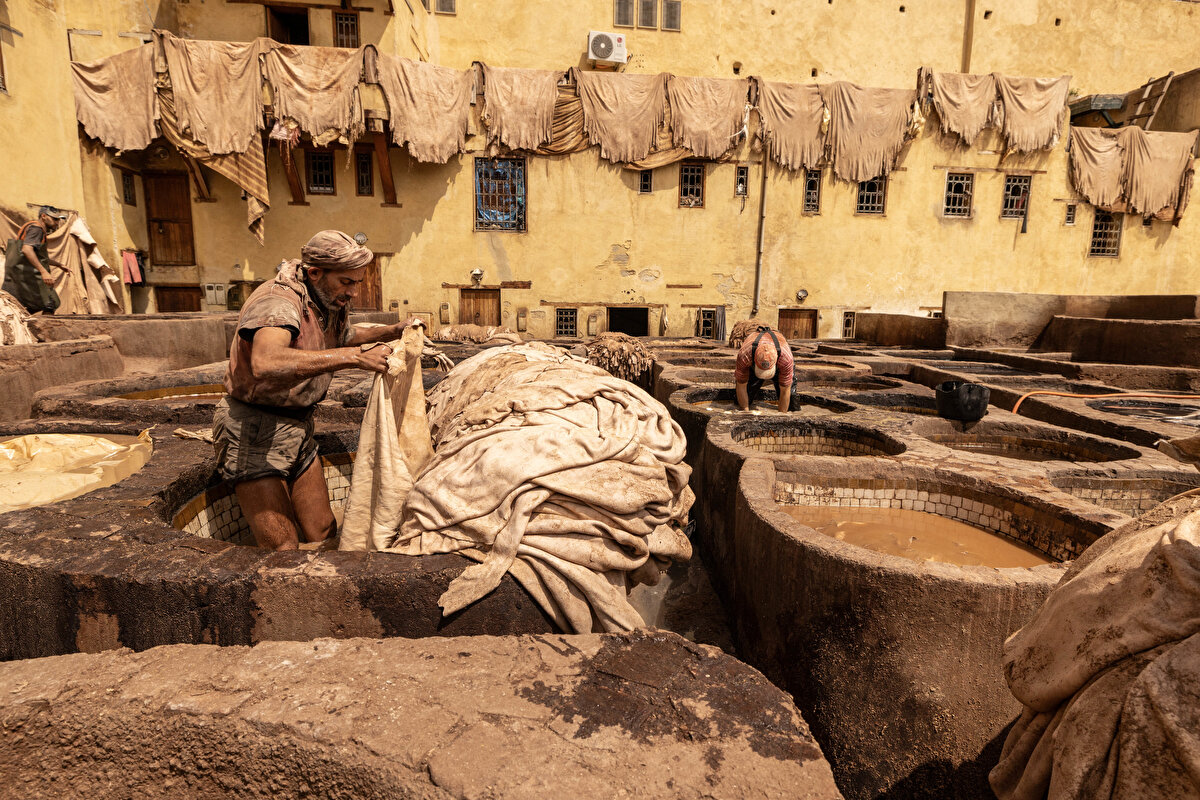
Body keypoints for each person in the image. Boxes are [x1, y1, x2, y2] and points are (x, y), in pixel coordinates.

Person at [214, 229, 441, 551]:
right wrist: (353, 359)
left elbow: (344, 335)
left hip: (297, 425)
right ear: (316, 273)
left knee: (323, 530)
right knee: (282, 548)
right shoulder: (278, 303)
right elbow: (266, 361)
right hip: (254, 428)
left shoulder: (323, 300)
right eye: (346, 282)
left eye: (357, 283)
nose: (353, 293)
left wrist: (391, 331)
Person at [3, 206, 66, 313]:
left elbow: (37, 256)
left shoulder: (31, 226)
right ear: (44, 216)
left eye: (58, 219)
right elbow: (27, 250)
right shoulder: (37, 229)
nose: (57, 222)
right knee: (51, 302)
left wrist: (59, 264)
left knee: (26, 306)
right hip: (26, 275)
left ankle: (28, 325)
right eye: (54, 219)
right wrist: (44, 272)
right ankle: (44, 329)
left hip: (19, 274)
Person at [734, 324, 794, 412]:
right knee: (740, 401)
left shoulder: (786, 359)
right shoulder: (745, 355)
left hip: (781, 361)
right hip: (752, 360)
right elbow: (741, 384)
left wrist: (781, 417)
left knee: (792, 405)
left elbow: (785, 389)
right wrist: (745, 413)